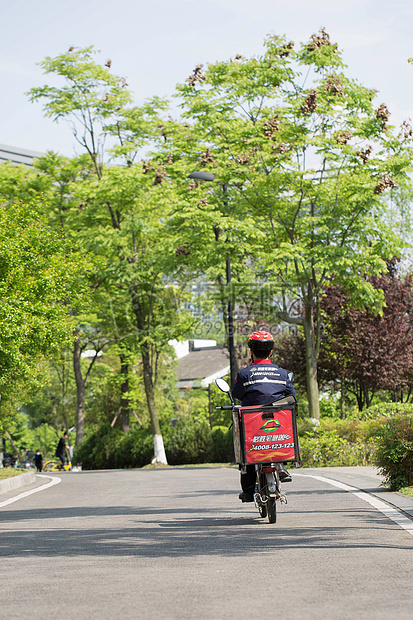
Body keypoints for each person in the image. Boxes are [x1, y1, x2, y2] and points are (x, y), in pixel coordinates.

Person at [232, 330, 296, 502]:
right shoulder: (282, 373)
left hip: (253, 426)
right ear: (271, 351)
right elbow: (291, 395)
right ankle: (281, 464)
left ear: (251, 351)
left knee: (248, 458)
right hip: (277, 425)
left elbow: (237, 394)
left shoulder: (245, 374)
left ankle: (248, 491)